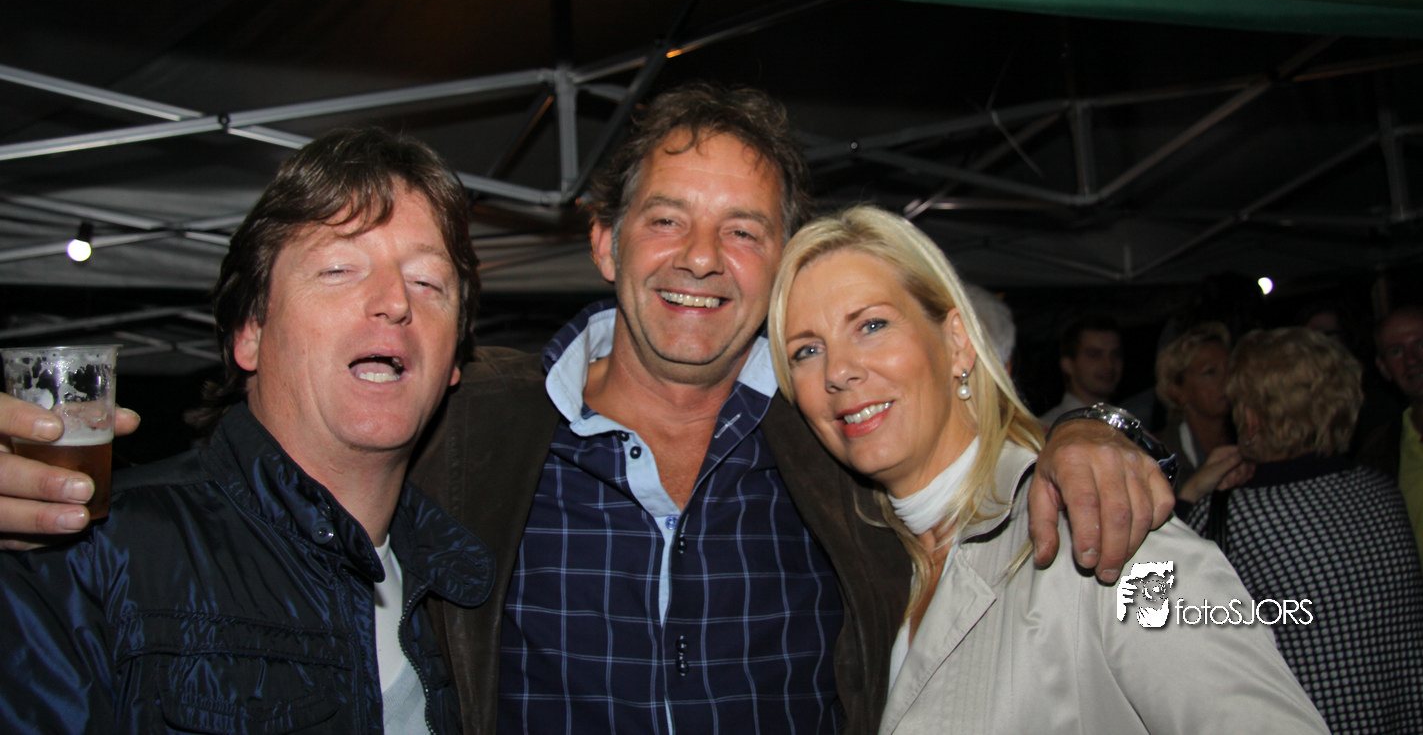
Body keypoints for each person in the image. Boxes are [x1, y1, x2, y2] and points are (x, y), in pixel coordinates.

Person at [0, 84, 1175, 735]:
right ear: (607, 243)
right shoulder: (477, 432)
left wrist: (1089, 432)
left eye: (744, 230)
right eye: (667, 218)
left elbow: (964, 459)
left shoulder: (832, 434)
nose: (701, 257)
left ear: (780, 263)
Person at [0, 128, 494, 733]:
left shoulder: (479, 596)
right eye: (339, 268)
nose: (395, 301)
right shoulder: (82, 555)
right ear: (251, 334)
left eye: (427, 282)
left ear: (452, 362)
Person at [768, 205, 1327, 734]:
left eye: (871, 325)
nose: (838, 371)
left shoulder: (1102, 524)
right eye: (806, 351)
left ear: (957, 342)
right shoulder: (870, 559)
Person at [1184, 327, 1423, 734]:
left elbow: (1149, 611)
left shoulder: (1233, 514)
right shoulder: (1382, 491)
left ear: (1251, 416)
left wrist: (1187, 498)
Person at [1153, 321, 1254, 504]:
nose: (1226, 380)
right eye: (1210, 372)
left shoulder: (1254, 441)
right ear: (1177, 389)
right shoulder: (1158, 459)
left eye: (1229, 369)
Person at [1358, 305, 1423, 568]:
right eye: (1396, 351)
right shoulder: (1377, 452)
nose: (1412, 360)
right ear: (1383, 368)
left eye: (1421, 344)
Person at [1039, 314, 1123, 424]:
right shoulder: (1050, 426)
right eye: (1094, 355)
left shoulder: (1129, 423)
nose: (1109, 365)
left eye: (1115, 355)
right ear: (1068, 365)